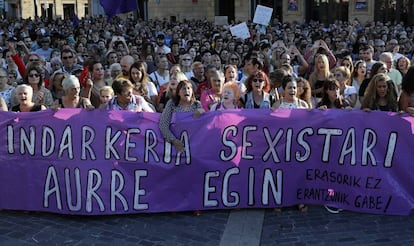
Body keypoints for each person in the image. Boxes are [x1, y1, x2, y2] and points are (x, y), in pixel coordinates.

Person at [159, 80, 204, 153]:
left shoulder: (197, 105)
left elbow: (203, 126)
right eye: (183, 88)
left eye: (189, 88)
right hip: (175, 146)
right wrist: (174, 141)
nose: (187, 90)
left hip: (194, 146)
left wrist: (203, 112)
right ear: (178, 92)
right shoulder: (172, 104)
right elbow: (163, 125)